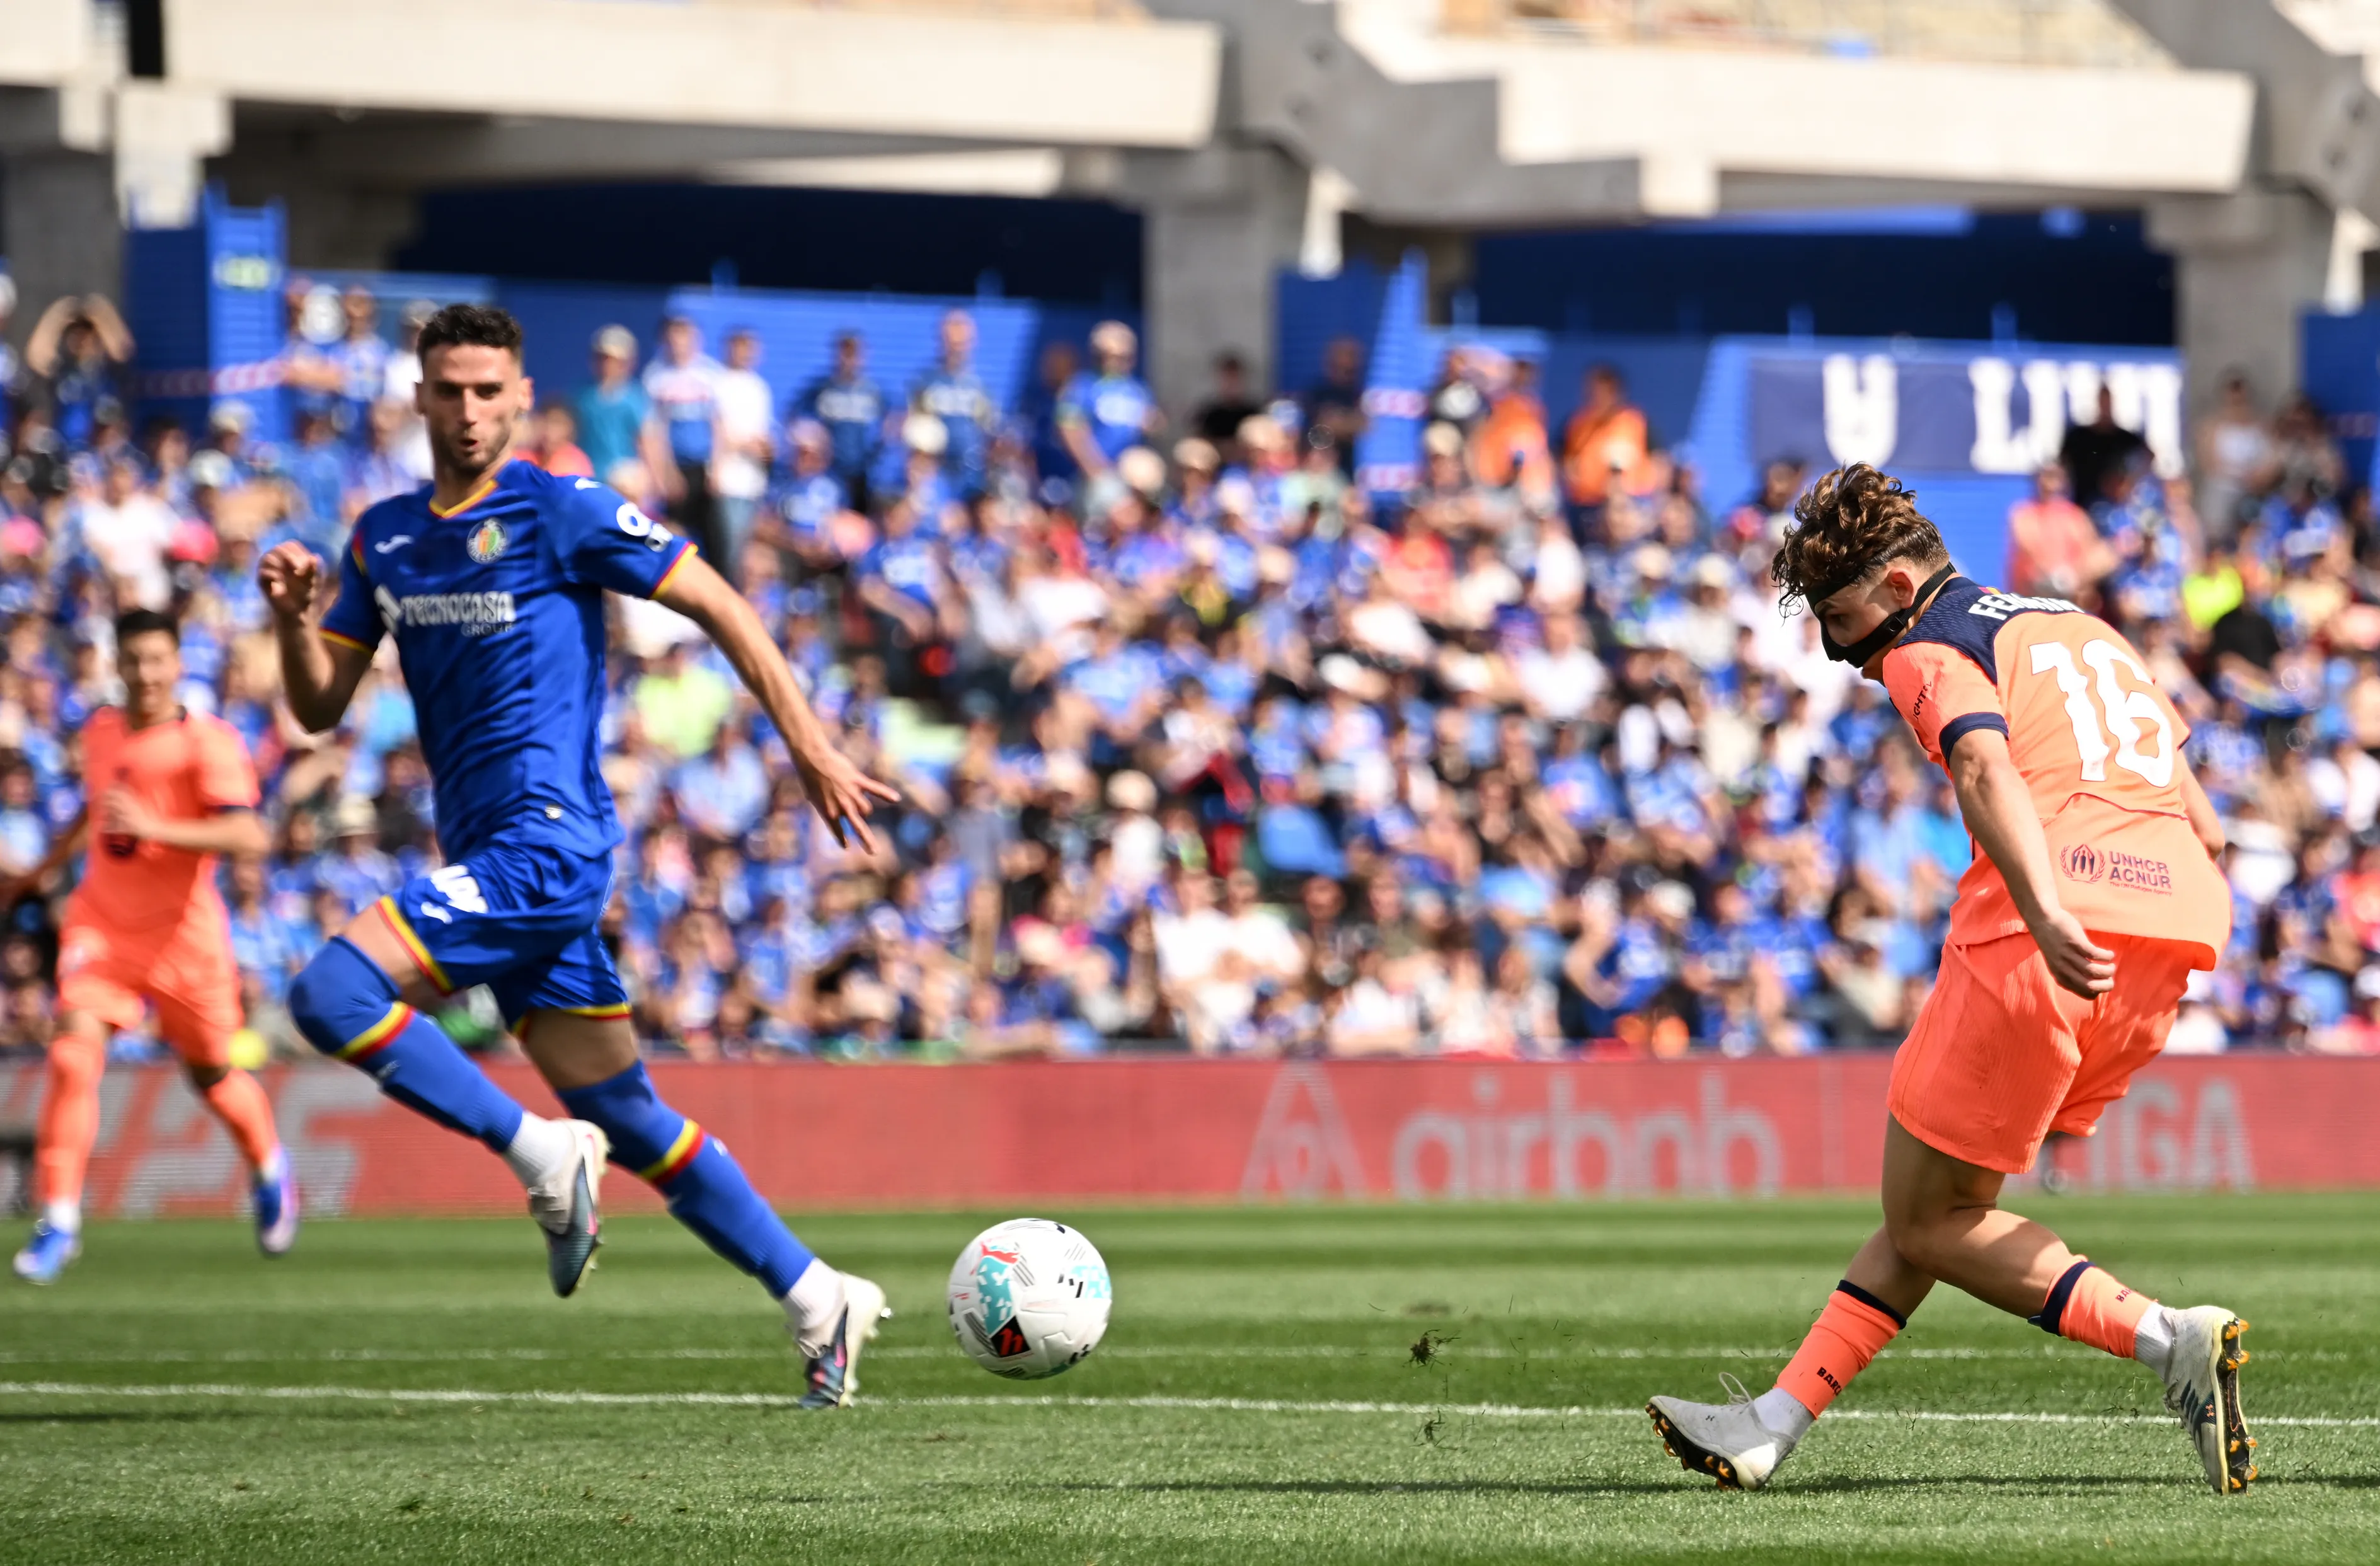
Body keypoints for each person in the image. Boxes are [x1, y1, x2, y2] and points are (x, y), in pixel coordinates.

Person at [256, 304, 900, 1407]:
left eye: (487, 391)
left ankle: (538, 1155)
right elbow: (319, 707)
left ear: (518, 397)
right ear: (417, 397)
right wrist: (290, 618)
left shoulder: (561, 509)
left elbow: (718, 601)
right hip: (497, 863)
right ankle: (817, 1295)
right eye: (448, 390)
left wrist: (806, 743)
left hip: (546, 849)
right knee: (629, 1117)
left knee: (329, 990)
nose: (468, 411)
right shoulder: (383, 537)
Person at [1647, 464, 2253, 1497]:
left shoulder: (1933, 638)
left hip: (2043, 930)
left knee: (1928, 1216)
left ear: (1893, 587)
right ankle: (1770, 1426)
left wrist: (2051, 908)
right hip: (2176, 931)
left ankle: (2165, 1338)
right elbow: (2204, 821)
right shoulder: (2077, 628)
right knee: (1935, 1207)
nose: (1841, 653)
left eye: (1840, 619)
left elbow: (1982, 769)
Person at [8, 609, 293, 1284]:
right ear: (117, 662)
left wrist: (157, 824)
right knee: (74, 1052)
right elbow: (94, 808)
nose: (145, 673)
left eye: (157, 659)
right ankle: (59, 1220)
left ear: (178, 663)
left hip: (184, 938)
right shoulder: (101, 729)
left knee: (211, 1073)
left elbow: (250, 837)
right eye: (133, 659)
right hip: (102, 925)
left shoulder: (208, 743)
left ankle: (269, 1165)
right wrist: (37, 874)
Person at [643, 315, 727, 567]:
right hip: (675, 467)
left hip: (704, 466)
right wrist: (665, 473)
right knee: (673, 534)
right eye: (673, 338)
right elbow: (655, 430)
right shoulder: (655, 375)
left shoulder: (711, 373)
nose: (678, 344)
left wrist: (718, 467)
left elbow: (719, 425)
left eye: (684, 337)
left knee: (715, 538)